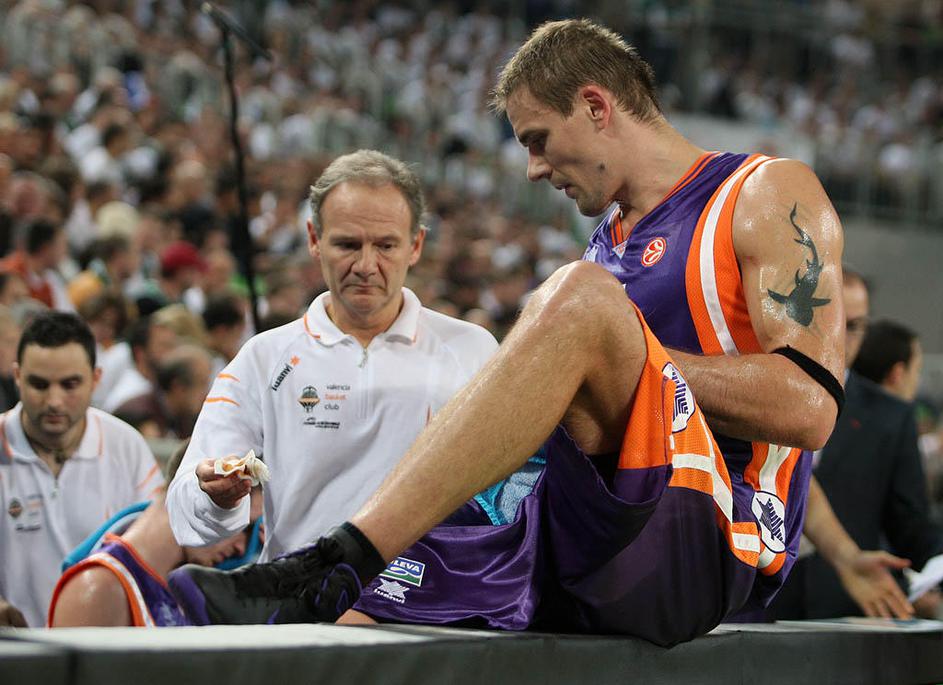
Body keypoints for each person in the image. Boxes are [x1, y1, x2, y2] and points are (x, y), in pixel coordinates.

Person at [170, 19, 844, 646]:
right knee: (369, 608)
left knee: (578, 302)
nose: (533, 169)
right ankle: (328, 576)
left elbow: (810, 407)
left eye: (536, 140)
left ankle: (336, 558)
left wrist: (615, 359)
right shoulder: (604, 243)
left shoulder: (762, 191)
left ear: (595, 106)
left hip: (711, 532)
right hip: (588, 520)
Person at [165, 150, 498, 566]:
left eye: (385, 245)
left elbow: (514, 490)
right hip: (301, 600)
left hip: (436, 598)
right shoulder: (265, 358)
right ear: (314, 239)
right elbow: (185, 514)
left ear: (416, 245)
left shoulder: (473, 351)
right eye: (347, 244)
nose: (366, 265)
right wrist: (214, 495)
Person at [771, 289, 942, 620]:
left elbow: (909, 521)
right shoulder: (761, 390)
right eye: (828, 317)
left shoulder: (891, 416)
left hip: (847, 605)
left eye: (853, 325)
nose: (839, 334)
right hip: (755, 599)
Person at [0, 311, 162, 627]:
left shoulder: (126, 446)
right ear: (17, 376)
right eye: (39, 384)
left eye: (70, 384)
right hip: (13, 648)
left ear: (96, 379)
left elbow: (158, 550)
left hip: (104, 647)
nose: (54, 401)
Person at [48, 442, 261, 627]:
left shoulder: (178, 594)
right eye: (243, 527)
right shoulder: (99, 587)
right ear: (196, 496)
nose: (242, 548)